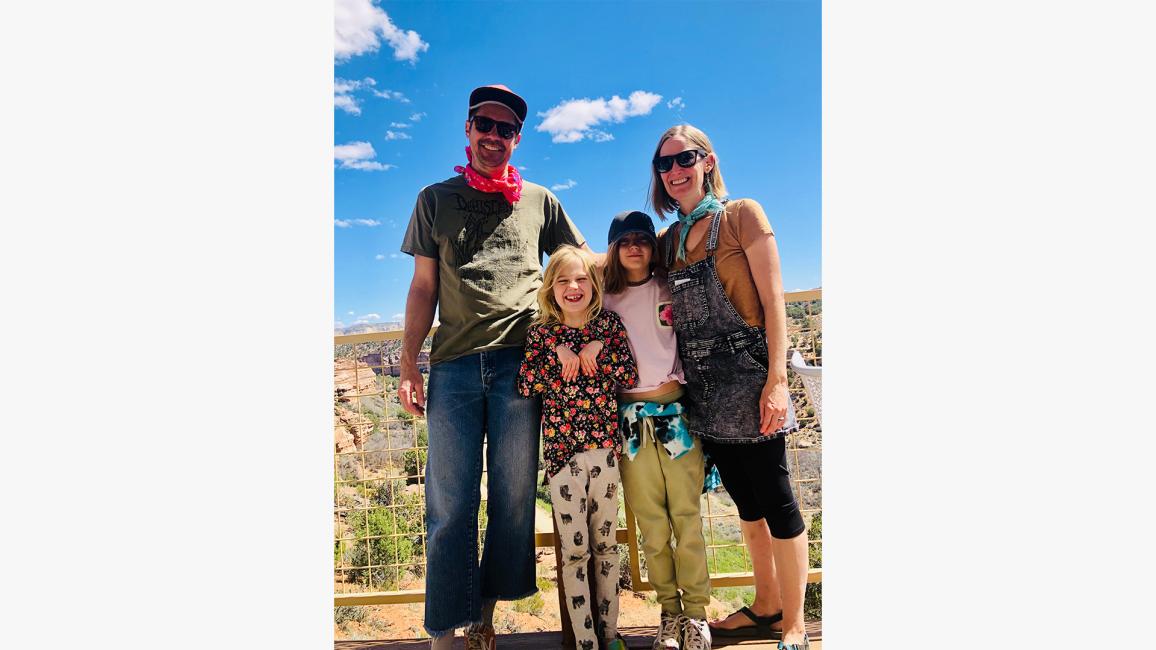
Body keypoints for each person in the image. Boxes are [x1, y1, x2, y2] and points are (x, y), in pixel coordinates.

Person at [399, 85, 594, 650]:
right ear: (467, 128)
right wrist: (408, 364)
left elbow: (578, 267)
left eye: (506, 129)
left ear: (517, 138)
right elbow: (423, 287)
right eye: (485, 123)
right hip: (455, 367)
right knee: (450, 503)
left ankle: (482, 614)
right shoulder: (435, 198)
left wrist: (642, 257)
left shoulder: (540, 200)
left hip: (523, 367)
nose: (494, 136)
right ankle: (444, 629)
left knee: (512, 499)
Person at [649, 124, 810, 650]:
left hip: (753, 382)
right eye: (664, 164)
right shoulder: (669, 241)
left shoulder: (743, 216)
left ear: (708, 161)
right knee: (746, 504)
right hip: (705, 393)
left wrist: (778, 380)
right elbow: (619, 268)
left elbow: (773, 302)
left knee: (778, 499)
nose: (674, 171)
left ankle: (794, 625)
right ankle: (765, 606)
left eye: (684, 159)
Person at [599, 210, 713, 650]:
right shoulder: (602, 298)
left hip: (675, 416)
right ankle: (668, 612)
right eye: (623, 240)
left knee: (686, 518)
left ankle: (697, 615)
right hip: (628, 421)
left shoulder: (672, 287)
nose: (633, 246)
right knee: (651, 524)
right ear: (612, 249)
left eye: (642, 239)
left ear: (654, 246)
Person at [516, 245, 637, 650]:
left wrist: (595, 349)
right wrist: (558, 351)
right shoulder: (541, 334)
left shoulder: (610, 326)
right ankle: (585, 640)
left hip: (604, 451)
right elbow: (527, 384)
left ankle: (610, 634)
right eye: (564, 280)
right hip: (563, 457)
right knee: (574, 551)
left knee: (605, 546)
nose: (574, 287)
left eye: (582, 278)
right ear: (551, 288)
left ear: (594, 284)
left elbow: (628, 372)